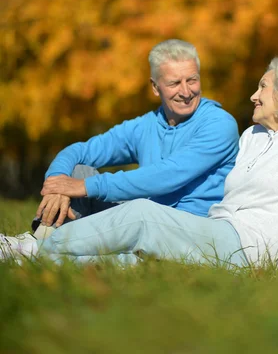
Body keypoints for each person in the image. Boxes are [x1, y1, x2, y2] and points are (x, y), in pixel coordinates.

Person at [1, 57, 278, 271]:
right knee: (131, 262)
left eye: (262, 87)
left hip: (256, 250)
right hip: (220, 234)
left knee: (143, 216)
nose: (253, 95)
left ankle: (30, 249)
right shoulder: (253, 137)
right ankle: (32, 265)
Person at [0, 39, 239, 251]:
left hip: (185, 228)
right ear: (155, 87)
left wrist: (85, 186)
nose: (186, 91)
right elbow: (80, 150)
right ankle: (39, 239)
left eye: (192, 80)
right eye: (175, 83)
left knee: (90, 185)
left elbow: (164, 176)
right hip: (142, 218)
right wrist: (58, 182)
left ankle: (35, 249)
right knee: (77, 169)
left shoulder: (219, 125)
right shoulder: (146, 125)